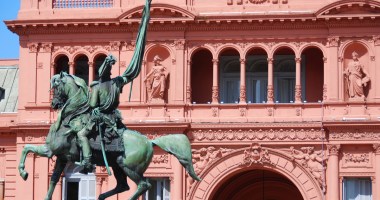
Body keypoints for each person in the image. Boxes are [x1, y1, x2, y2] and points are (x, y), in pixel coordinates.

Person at [76, 54, 129, 173]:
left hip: (100, 118)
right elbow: (129, 75)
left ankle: (87, 162)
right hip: (114, 117)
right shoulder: (116, 83)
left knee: (81, 134)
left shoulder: (97, 87)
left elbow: (93, 104)